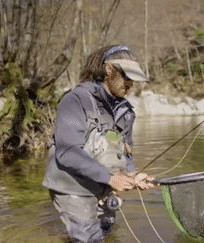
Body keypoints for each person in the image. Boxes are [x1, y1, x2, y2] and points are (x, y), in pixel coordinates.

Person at [43, 45, 155, 243]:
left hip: (103, 184)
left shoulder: (127, 112)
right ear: (109, 70)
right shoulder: (75, 100)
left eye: (134, 79)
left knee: (104, 233)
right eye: (127, 77)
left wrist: (133, 175)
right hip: (71, 186)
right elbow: (67, 151)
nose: (131, 85)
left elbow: (125, 154)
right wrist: (111, 178)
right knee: (90, 239)